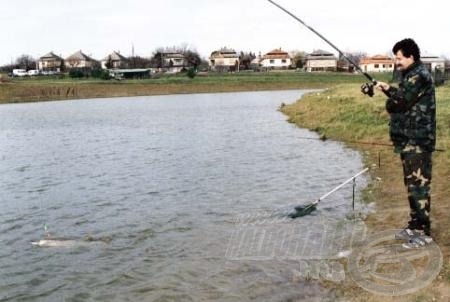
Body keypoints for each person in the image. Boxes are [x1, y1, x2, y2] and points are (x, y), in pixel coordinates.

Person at [376, 38, 436, 248]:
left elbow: (399, 103)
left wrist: (390, 99)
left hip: (417, 141)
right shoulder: (412, 75)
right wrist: (388, 89)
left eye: (399, 58)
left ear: (411, 57)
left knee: (419, 186)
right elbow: (404, 97)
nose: (396, 62)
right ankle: (414, 224)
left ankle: (423, 232)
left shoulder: (418, 76)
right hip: (410, 140)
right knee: (412, 185)